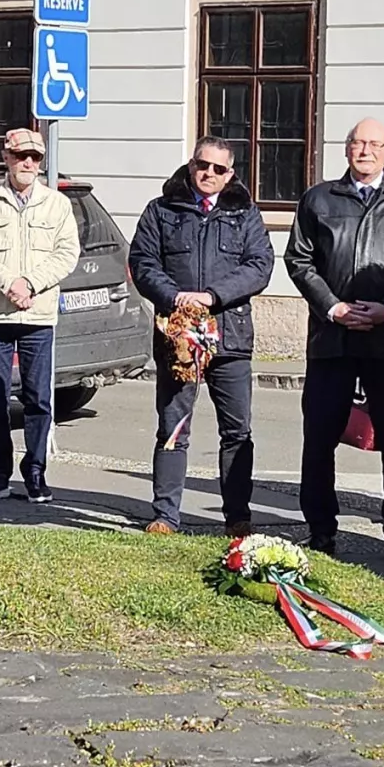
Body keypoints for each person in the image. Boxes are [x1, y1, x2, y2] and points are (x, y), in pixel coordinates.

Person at [285, 119, 384, 559]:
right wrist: (333, 306)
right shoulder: (319, 198)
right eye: (357, 143)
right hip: (332, 338)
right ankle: (320, 529)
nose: (364, 151)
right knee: (319, 437)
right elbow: (299, 259)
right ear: (345, 149)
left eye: (373, 144)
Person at [128, 138, 275, 536]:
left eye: (218, 169)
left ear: (231, 175)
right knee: (173, 427)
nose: (208, 174)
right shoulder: (162, 210)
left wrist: (212, 296)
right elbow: (142, 262)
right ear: (191, 165)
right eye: (202, 165)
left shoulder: (245, 213)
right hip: (179, 339)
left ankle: (238, 517)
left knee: (237, 431)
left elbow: (260, 266)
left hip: (229, 337)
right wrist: (175, 297)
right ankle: (165, 515)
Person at [0, 128, 81, 504]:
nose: (28, 163)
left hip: (38, 315)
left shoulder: (57, 204)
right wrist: (8, 283)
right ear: (7, 157)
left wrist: (30, 283)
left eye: (35, 158)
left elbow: (66, 254)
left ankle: (35, 473)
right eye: (20, 156)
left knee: (38, 400)